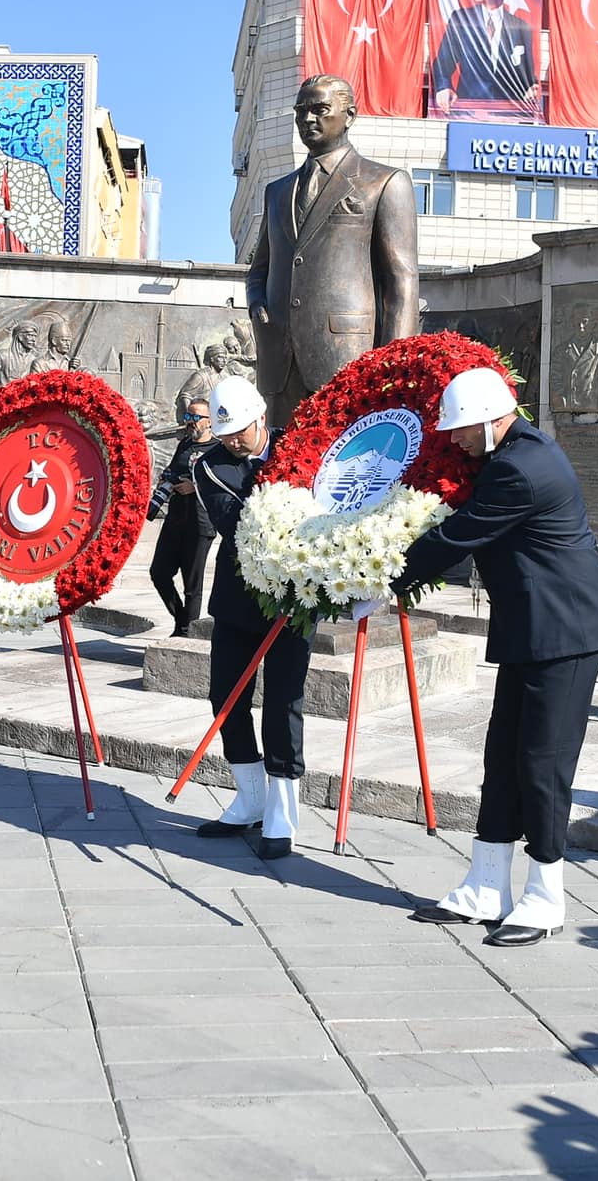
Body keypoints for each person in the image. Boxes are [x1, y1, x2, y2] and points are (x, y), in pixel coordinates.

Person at [400, 369, 598, 946]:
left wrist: (382, 574)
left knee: (543, 764)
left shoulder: (520, 468)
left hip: (565, 633)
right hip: (533, 628)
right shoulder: (513, 454)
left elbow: (457, 537)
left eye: (462, 429)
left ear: (493, 418)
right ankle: (486, 885)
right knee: (503, 756)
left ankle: (545, 896)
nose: (455, 439)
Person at [246, 74, 420, 429]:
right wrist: (257, 304)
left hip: (349, 357)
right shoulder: (277, 192)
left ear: (349, 116)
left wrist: (393, 368)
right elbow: (259, 268)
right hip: (281, 361)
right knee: (283, 471)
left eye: (319, 110)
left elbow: (402, 282)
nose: (307, 119)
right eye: (301, 111)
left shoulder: (383, 182)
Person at [191, 376, 313, 859]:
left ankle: (283, 811)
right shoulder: (210, 467)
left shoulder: (300, 446)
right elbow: (235, 523)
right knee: (226, 694)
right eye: (225, 434)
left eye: (240, 430)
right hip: (240, 597)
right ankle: (250, 798)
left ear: (262, 417)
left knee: (284, 702)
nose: (233, 441)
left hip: (297, 599)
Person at [147, 395, 215, 639]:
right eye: (188, 417)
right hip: (175, 520)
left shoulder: (217, 449)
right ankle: (182, 619)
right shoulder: (184, 446)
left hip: (200, 524)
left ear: (209, 421)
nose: (190, 422)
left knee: (192, 585)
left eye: (196, 417)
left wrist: (195, 487)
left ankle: (187, 634)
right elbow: (172, 472)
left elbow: (224, 484)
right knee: (159, 573)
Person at [429, 0, 537, 110]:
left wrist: (532, 88)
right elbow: (442, 64)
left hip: (508, 113)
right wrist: (443, 87)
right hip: (468, 110)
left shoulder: (520, 28)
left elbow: (528, 76)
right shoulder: (462, 21)